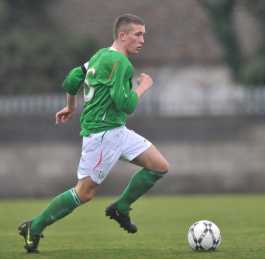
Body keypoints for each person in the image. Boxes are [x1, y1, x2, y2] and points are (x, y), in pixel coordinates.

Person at [18, 13, 169, 253]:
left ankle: (121, 207)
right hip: (102, 135)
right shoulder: (121, 63)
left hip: (117, 130)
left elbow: (72, 79)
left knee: (159, 166)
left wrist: (70, 106)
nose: (142, 40)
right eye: (137, 34)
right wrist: (142, 87)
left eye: (143, 35)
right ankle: (34, 227)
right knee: (84, 193)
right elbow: (126, 105)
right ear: (122, 35)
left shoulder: (101, 55)